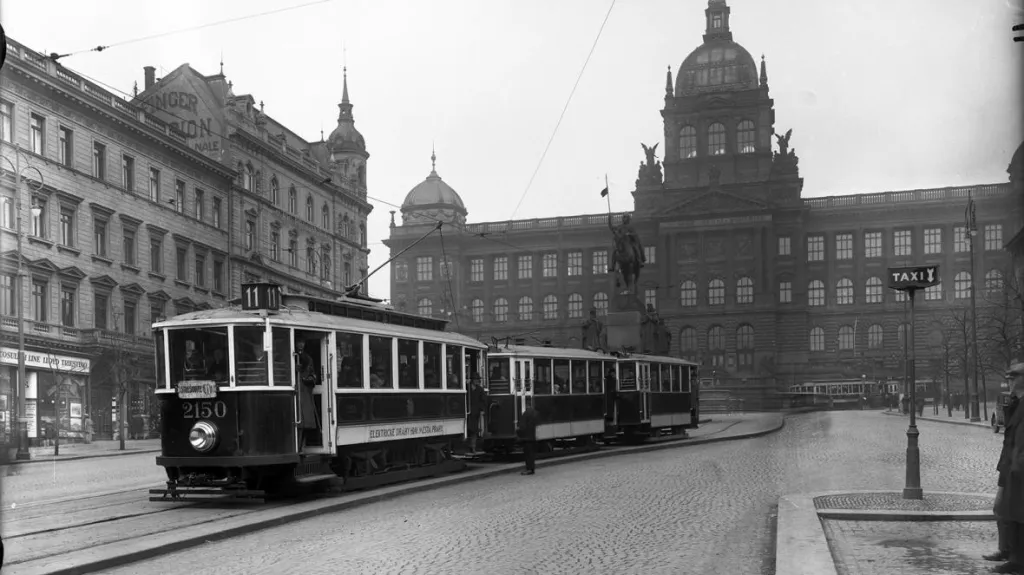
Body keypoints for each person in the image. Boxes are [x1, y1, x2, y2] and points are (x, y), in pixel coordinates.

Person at [991, 363, 1024, 574]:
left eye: (1013, 378)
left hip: (1019, 469)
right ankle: (1011, 554)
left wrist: (1017, 467)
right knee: (1005, 511)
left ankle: (1017, 561)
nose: (1009, 382)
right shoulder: (1016, 402)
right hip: (1011, 467)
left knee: (1017, 514)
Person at [295, 338, 320, 447]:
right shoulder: (291, 356)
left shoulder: (308, 358)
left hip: (305, 390)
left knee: (305, 421)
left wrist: (309, 379)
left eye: (303, 342)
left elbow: (313, 375)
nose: (301, 344)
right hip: (296, 389)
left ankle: (302, 445)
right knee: (297, 419)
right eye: (299, 342)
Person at [517, 399, 540, 476]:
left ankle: (529, 469)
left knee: (527, 454)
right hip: (533, 437)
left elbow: (522, 427)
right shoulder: (536, 413)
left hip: (526, 438)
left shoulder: (526, 413)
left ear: (527, 405)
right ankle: (532, 469)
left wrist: (518, 433)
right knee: (532, 454)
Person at [467, 376, 487, 454]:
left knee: (474, 430)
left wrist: (482, 409)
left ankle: (473, 447)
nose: (477, 381)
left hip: (475, 412)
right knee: (469, 429)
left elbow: (483, 400)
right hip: (467, 411)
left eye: (477, 380)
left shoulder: (480, 389)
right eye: (475, 379)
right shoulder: (467, 387)